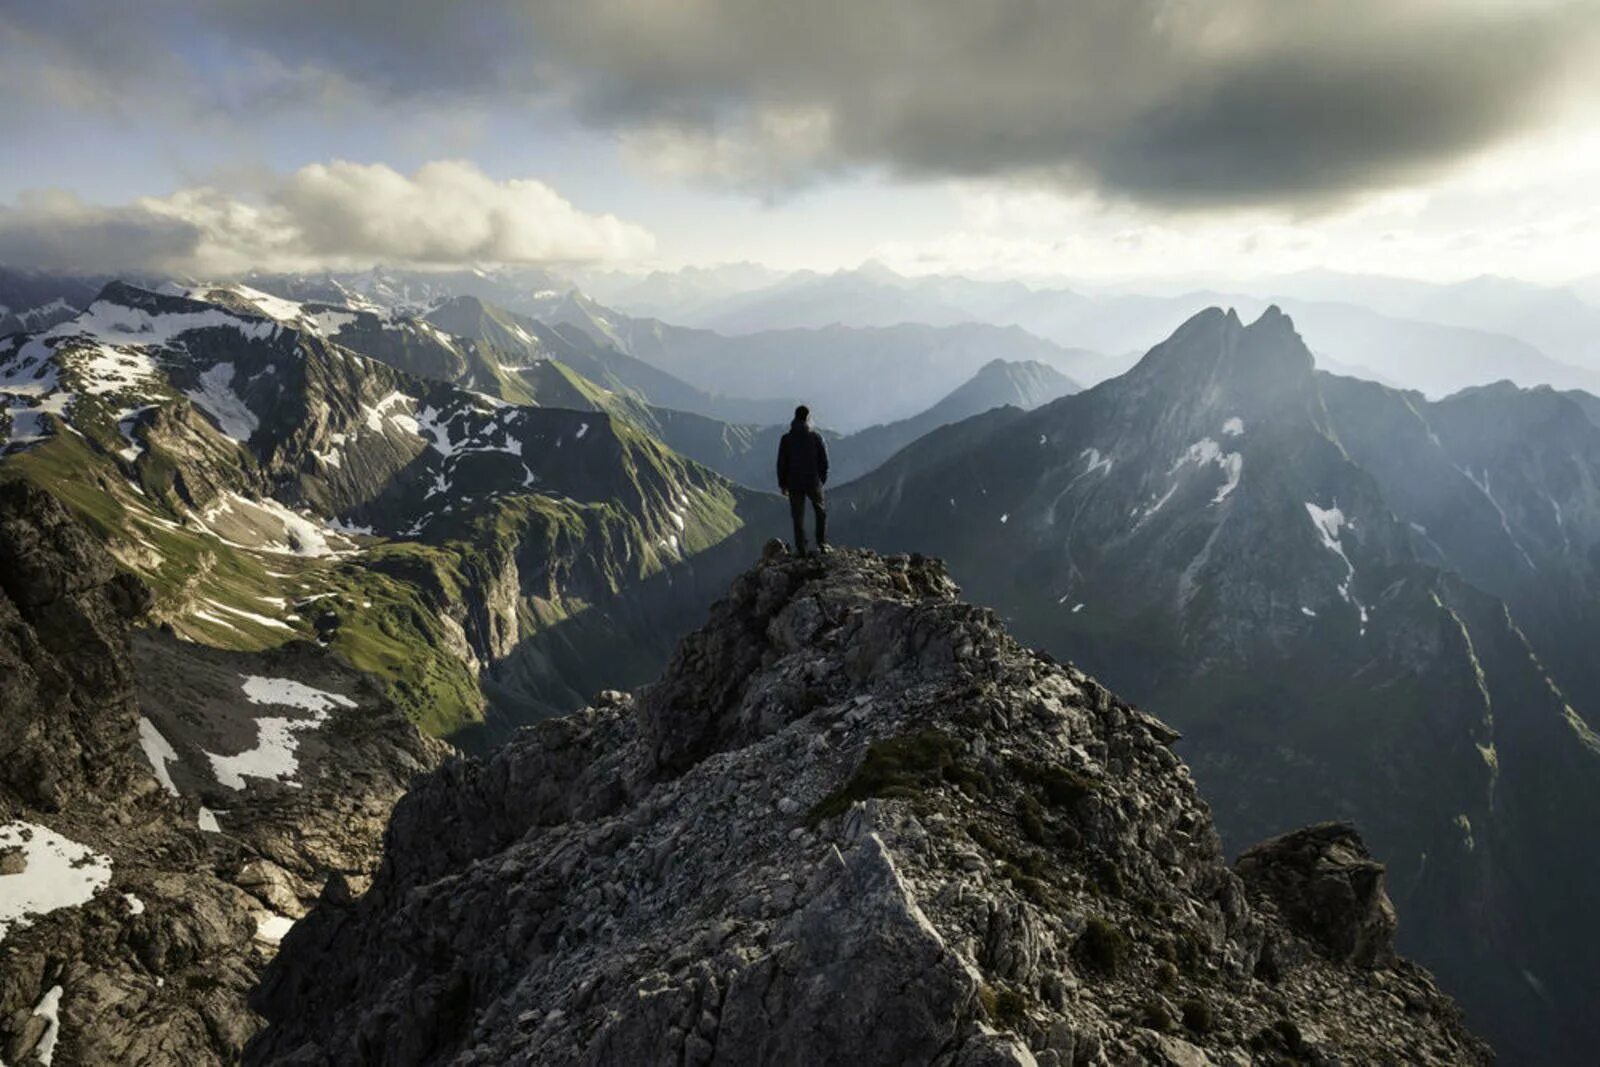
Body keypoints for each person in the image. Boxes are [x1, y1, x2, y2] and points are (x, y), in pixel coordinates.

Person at [777, 404, 829, 555]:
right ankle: (822, 543)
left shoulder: (786, 439)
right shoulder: (815, 437)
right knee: (820, 511)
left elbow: (781, 463)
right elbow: (824, 461)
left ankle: (801, 549)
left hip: (794, 483)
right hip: (813, 482)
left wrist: (783, 484)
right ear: (808, 418)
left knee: (798, 517)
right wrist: (822, 479)